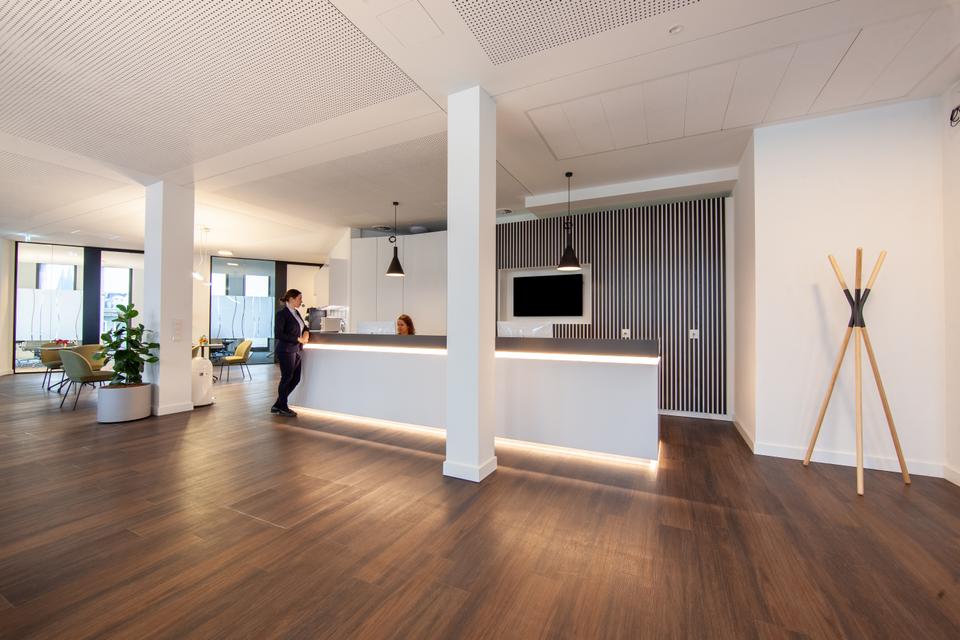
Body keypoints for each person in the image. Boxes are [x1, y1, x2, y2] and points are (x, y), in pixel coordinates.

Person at [273, 289, 309, 416]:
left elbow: (304, 327)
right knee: (287, 378)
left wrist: (306, 333)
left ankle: (278, 404)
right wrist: (298, 339)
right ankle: (283, 407)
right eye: (299, 298)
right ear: (291, 299)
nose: (301, 301)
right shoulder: (281, 314)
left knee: (296, 378)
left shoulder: (296, 313)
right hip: (286, 350)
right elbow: (279, 334)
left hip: (296, 350)